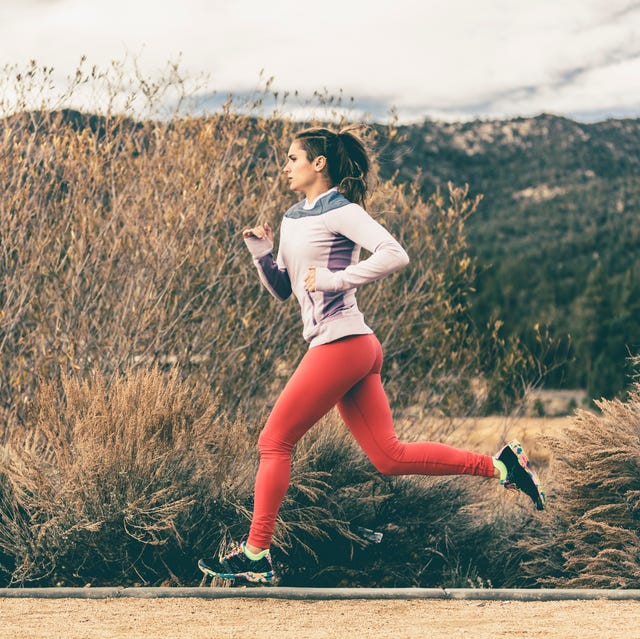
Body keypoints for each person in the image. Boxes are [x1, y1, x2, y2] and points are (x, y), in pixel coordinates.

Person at [198, 126, 546, 585]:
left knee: (273, 442)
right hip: (348, 346)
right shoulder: (291, 218)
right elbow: (284, 289)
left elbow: (394, 254)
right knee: (389, 457)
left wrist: (336, 280)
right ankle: (503, 466)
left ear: (318, 164)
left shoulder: (339, 210)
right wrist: (261, 251)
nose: (285, 166)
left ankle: (256, 553)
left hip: (341, 344)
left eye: (293, 158)